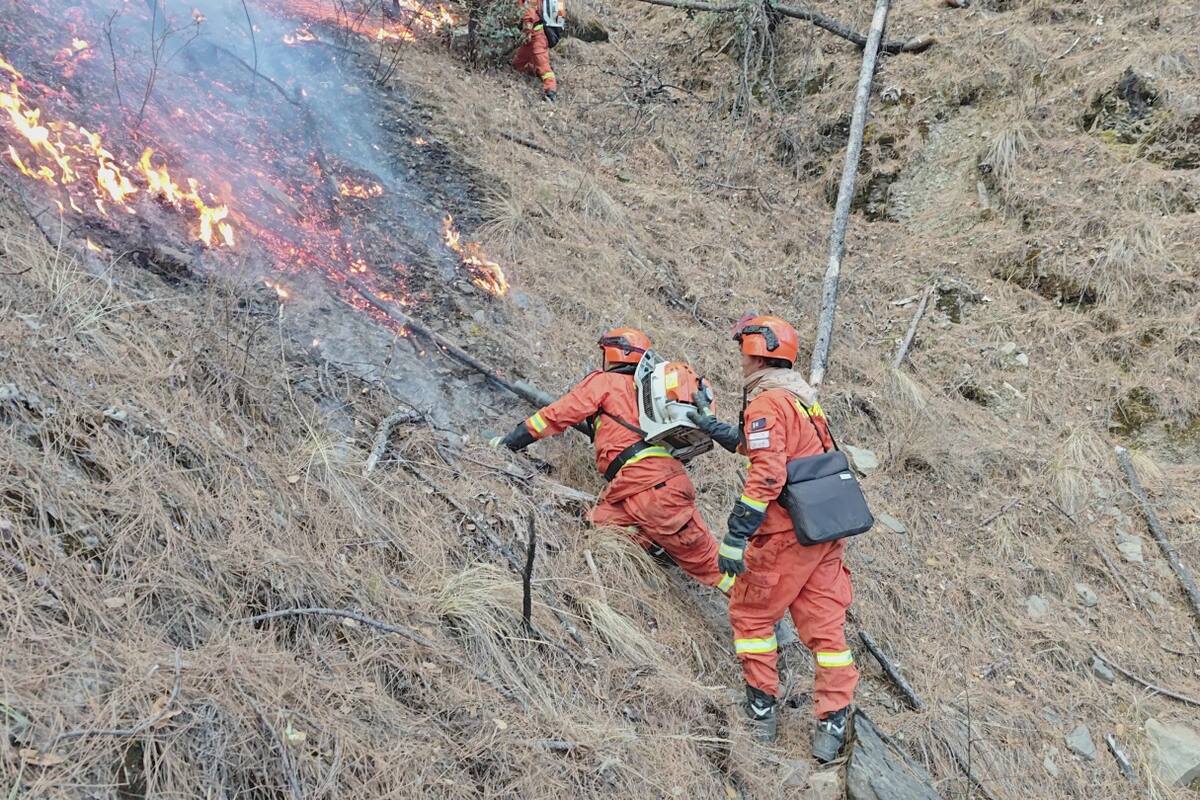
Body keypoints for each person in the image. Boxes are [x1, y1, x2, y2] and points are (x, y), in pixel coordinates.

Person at [689, 315, 858, 759]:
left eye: (742, 349)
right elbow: (765, 445)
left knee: (751, 615)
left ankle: (761, 710)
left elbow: (767, 470)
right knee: (825, 629)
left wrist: (734, 535)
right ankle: (832, 722)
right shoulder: (801, 398)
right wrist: (711, 425)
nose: (739, 357)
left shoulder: (766, 402)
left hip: (787, 536)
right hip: (824, 531)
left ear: (754, 351)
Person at [491, 328, 733, 594]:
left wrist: (509, 443)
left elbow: (554, 416)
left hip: (651, 488)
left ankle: (764, 610)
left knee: (714, 566)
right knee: (600, 523)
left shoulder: (605, 382)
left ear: (614, 354)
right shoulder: (647, 394)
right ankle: (661, 546)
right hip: (643, 485)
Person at [512, 0, 559, 102]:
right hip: (530, 36)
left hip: (538, 35)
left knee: (543, 65)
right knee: (518, 64)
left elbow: (530, 12)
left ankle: (551, 91)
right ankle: (535, 72)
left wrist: (527, 30)